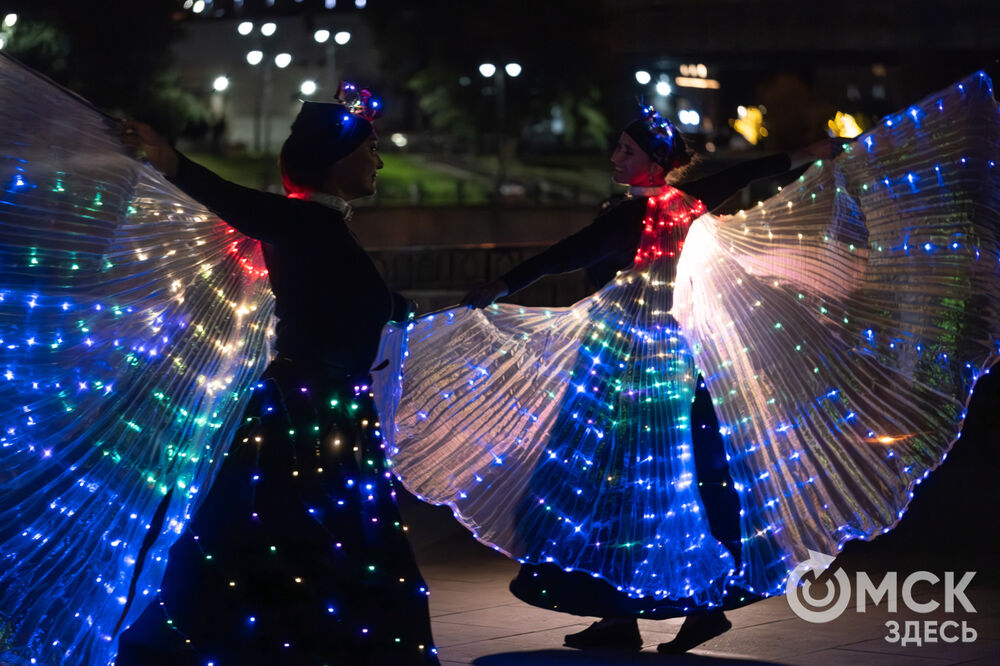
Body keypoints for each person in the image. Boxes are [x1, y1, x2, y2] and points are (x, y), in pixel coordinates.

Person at [459, 107, 842, 653]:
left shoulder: (628, 219)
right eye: (617, 149)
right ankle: (636, 616)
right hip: (677, 359)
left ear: (657, 163)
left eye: (627, 151)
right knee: (674, 483)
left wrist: (500, 285)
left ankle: (656, 610)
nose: (615, 158)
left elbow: (562, 256)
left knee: (614, 485)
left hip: (627, 364)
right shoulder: (689, 203)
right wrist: (812, 153)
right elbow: (750, 171)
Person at [115, 92, 440, 665]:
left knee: (313, 541)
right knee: (295, 540)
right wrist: (174, 165)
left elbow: (343, 296)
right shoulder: (301, 220)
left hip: (330, 411)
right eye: (370, 150)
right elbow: (243, 205)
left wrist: (399, 306)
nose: (379, 163)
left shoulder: (322, 228)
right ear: (335, 160)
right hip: (303, 417)